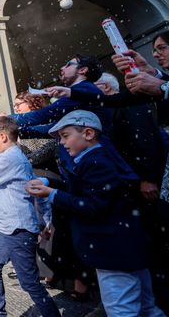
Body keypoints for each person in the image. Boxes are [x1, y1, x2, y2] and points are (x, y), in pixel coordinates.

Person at [27, 110, 164, 317]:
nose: (62, 143)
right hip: (125, 248)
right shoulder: (96, 158)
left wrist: (53, 194)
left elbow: (92, 205)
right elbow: (83, 189)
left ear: (88, 134)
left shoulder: (96, 162)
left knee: (121, 311)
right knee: (146, 307)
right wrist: (48, 182)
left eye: (65, 136)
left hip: (112, 251)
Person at [0, 117, 60, 317]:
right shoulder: (16, 155)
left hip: (18, 229)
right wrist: (46, 219)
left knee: (29, 283)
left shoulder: (8, 157)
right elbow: (35, 186)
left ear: (3, 137)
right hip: (6, 227)